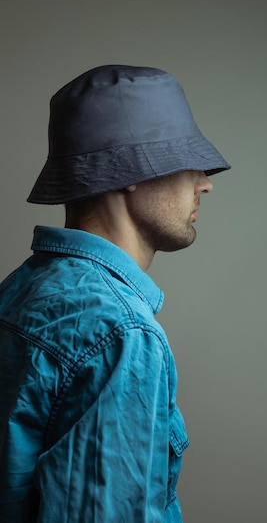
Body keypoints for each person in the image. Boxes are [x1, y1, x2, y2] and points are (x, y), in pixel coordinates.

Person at [0, 65, 230, 523]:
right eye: (187, 163)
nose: (204, 182)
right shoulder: (120, 332)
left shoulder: (21, 289)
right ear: (132, 171)